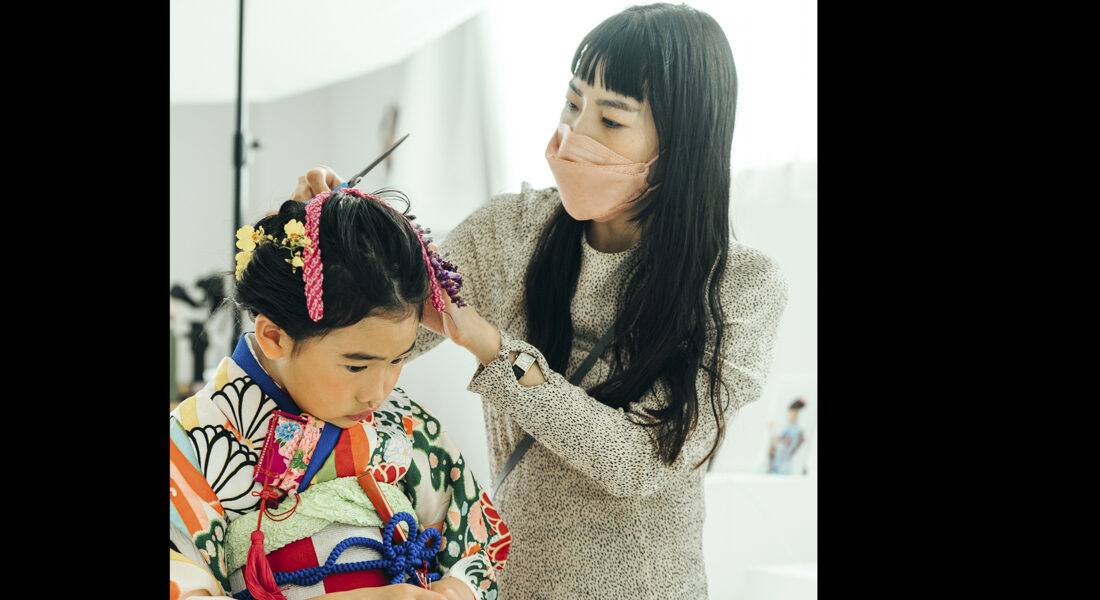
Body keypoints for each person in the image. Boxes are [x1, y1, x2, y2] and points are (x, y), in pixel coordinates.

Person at [291, 3, 788, 598]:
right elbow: (370, 331)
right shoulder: (507, 232)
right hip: (510, 584)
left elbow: (638, 462)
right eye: (573, 103)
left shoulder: (739, 288)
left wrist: (496, 350)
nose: (575, 135)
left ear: (683, 143)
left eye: (611, 120)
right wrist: (310, 239)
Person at [169, 188, 509, 600]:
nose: (378, 392)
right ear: (275, 337)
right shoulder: (189, 443)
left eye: (397, 360)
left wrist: (453, 591)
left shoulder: (403, 422)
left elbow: (479, 538)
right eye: (356, 365)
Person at [769, 398, 807, 475]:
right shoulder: (789, 427)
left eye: (794, 413)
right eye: (791, 413)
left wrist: (777, 443)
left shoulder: (796, 428)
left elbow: (791, 442)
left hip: (785, 455)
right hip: (781, 453)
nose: (791, 415)